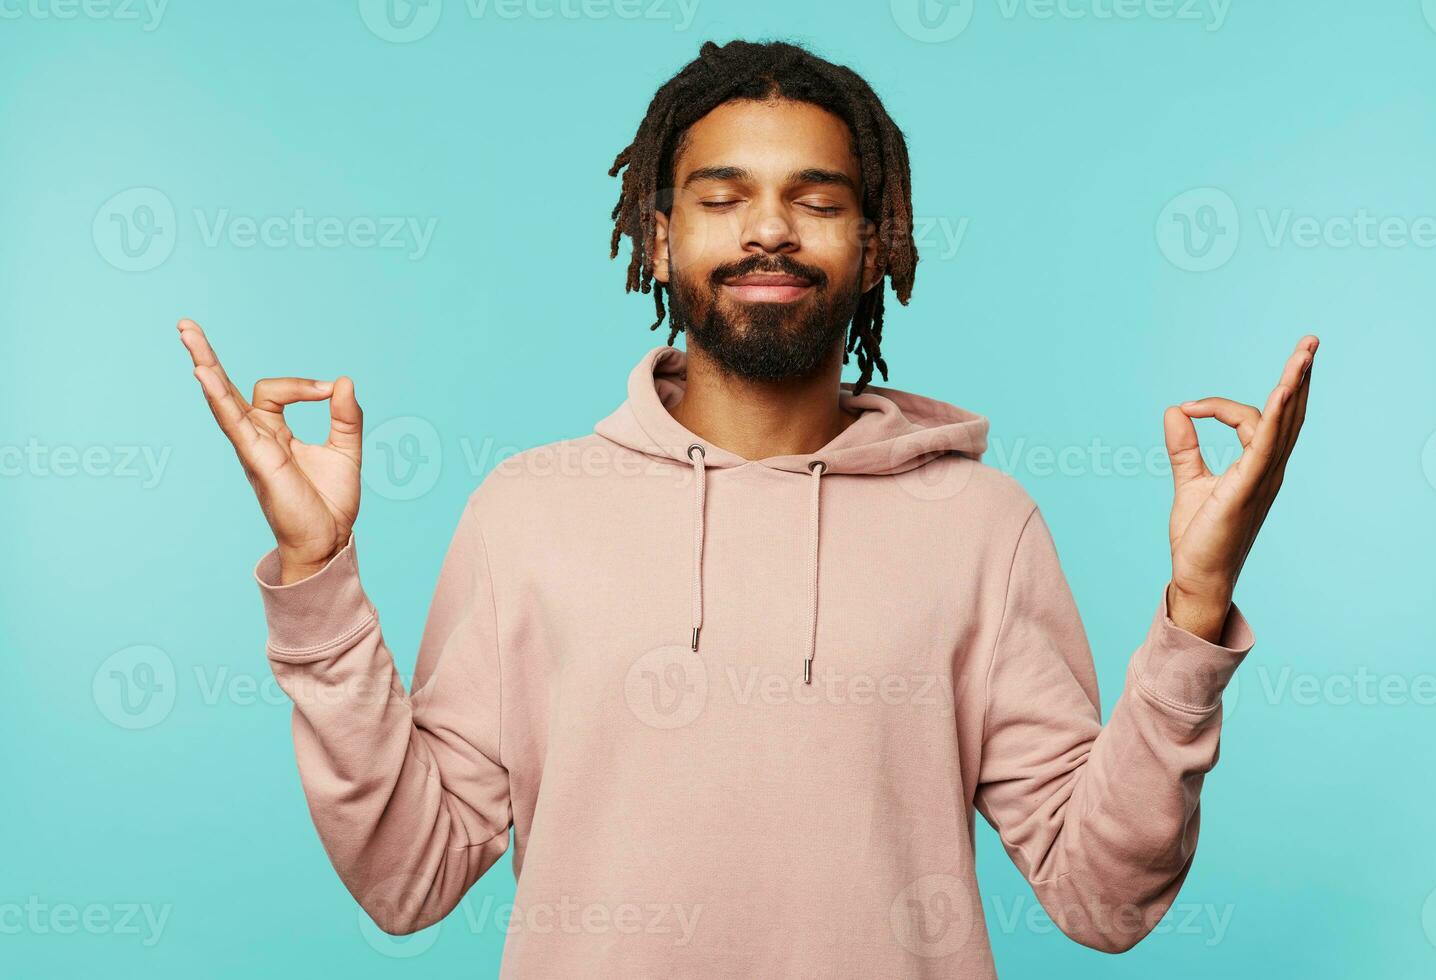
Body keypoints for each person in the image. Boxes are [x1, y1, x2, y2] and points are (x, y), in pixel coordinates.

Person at [176, 38, 1315, 980]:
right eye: (724, 199)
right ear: (662, 236)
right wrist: (317, 574)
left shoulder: (983, 524)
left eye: (816, 202)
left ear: (873, 247)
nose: (769, 231)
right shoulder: (528, 511)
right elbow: (407, 874)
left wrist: (1197, 608)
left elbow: (1101, 893)